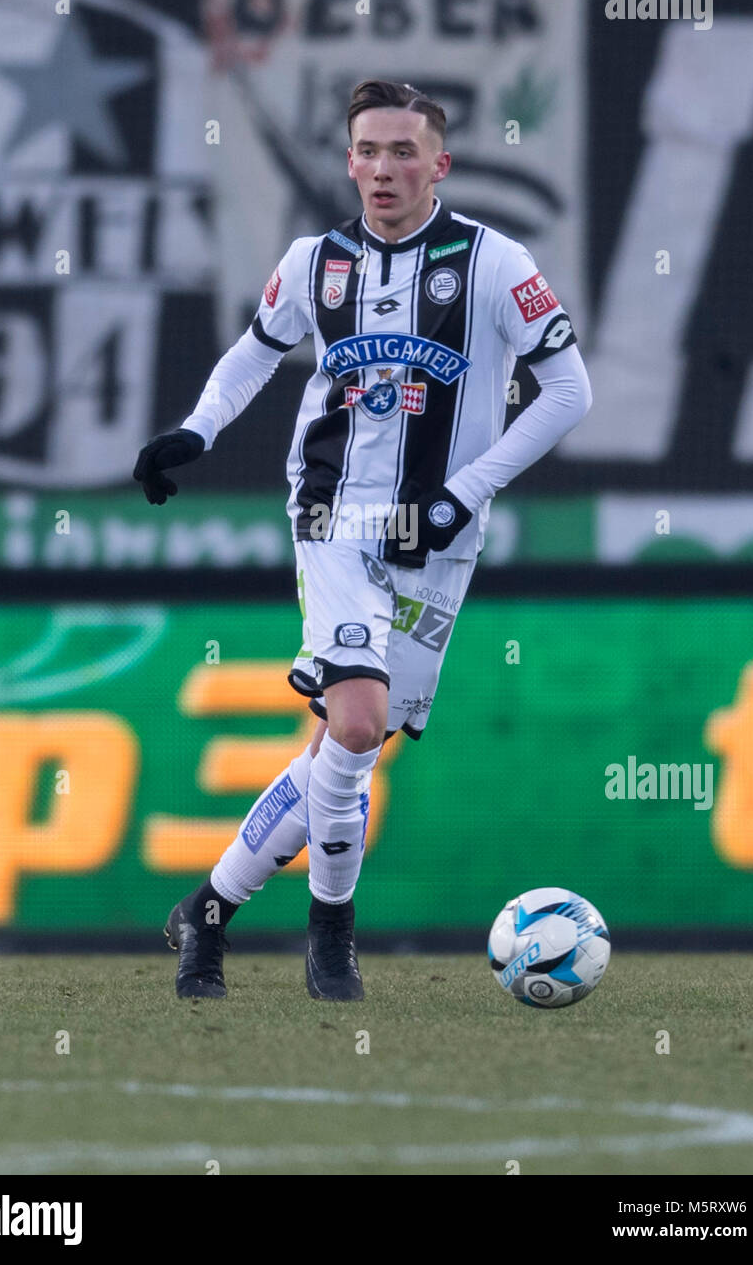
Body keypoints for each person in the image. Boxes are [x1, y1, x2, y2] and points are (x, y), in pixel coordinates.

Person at [133, 78, 592, 1002]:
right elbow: (258, 348)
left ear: (439, 164)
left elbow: (570, 391)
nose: (383, 169)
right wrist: (197, 429)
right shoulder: (315, 262)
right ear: (348, 162)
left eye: (402, 152)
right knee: (355, 722)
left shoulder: (497, 265)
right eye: (367, 152)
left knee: (342, 757)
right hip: (332, 514)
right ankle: (331, 936)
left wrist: (464, 494)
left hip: (439, 534)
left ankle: (208, 915)